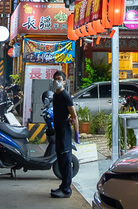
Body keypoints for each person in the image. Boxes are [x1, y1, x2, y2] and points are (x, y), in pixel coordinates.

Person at [49, 70, 79, 199]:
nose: (57, 81)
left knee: (66, 160)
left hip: (65, 131)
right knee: (61, 160)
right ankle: (63, 186)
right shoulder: (56, 95)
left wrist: (77, 134)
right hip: (58, 130)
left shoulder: (65, 95)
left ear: (64, 82)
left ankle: (67, 190)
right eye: (55, 79)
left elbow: (74, 115)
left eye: (59, 79)